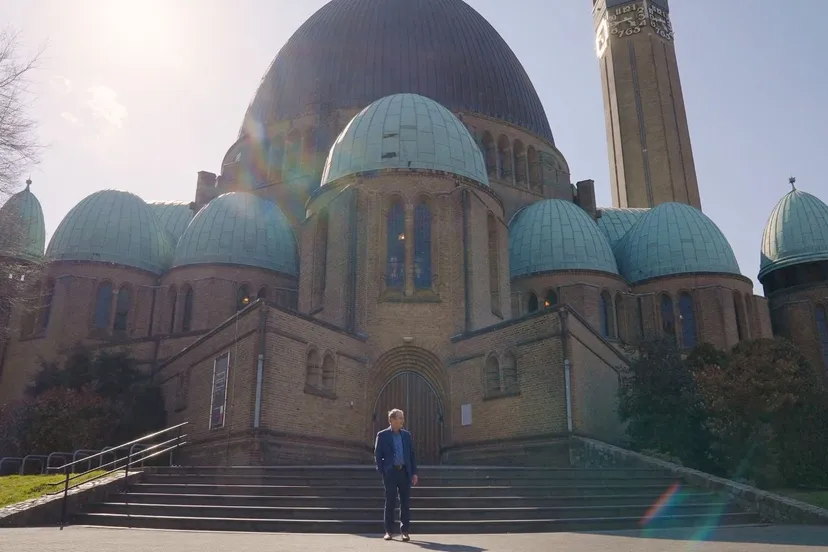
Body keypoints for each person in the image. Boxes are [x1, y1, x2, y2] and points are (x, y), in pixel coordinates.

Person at [374, 408, 419, 541]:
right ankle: (389, 531)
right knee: (390, 502)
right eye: (400, 418)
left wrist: (414, 473)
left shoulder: (406, 435)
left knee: (405, 503)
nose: (402, 420)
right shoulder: (382, 435)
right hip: (391, 472)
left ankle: (404, 531)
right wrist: (383, 471)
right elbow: (377, 455)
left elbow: (411, 455)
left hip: (404, 472)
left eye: (402, 418)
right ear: (392, 420)